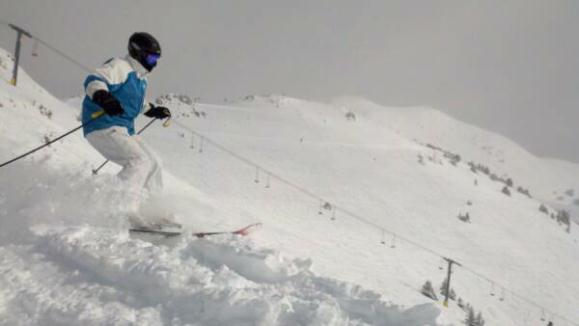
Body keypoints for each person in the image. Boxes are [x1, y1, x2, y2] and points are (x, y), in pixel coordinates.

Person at [81, 32, 172, 227]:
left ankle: (152, 211)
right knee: (139, 161)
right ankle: (121, 210)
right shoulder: (120, 66)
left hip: (123, 129)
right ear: (138, 52)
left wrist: (152, 110)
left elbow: (136, 103)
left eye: (157, 58)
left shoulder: (140, 78)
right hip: (102, 125)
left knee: (155, 162)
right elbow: (94, 80)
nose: (154, 62)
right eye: (151, 57)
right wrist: (103, 97)